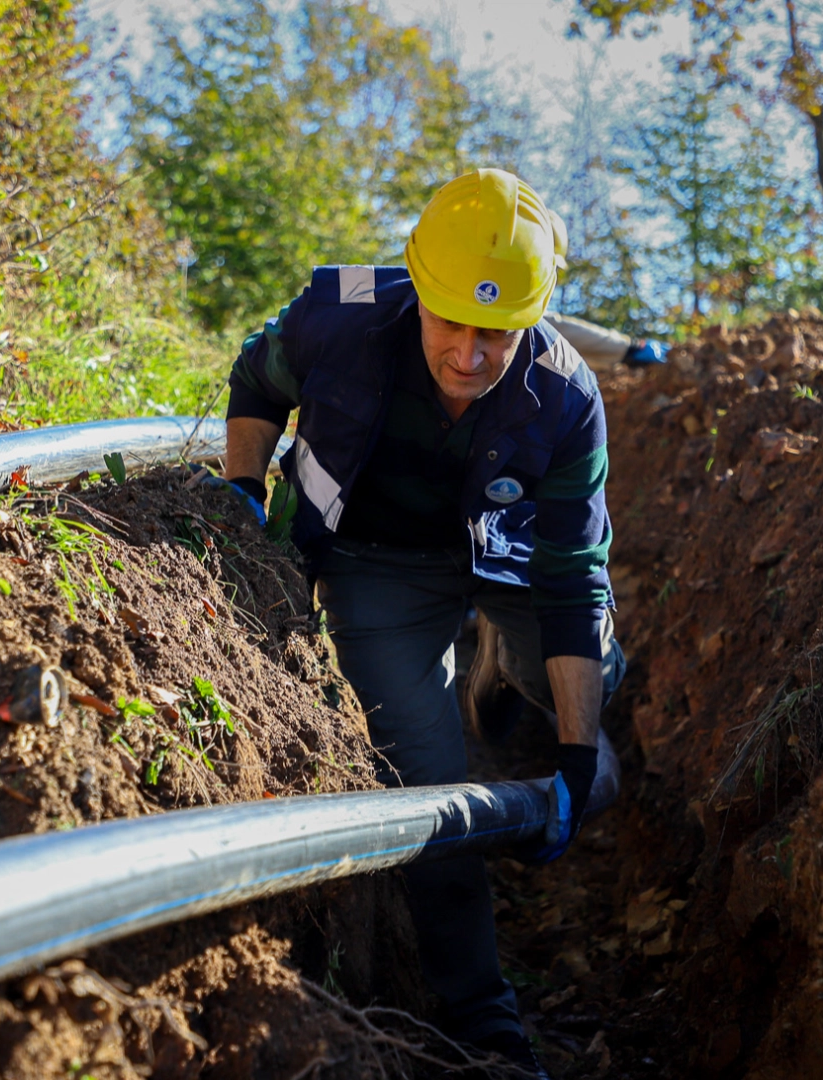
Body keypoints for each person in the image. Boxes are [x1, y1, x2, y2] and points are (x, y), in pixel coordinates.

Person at [219, 168, 626, 1077]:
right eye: (453, 323)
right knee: (426, 783)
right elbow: (256, 371)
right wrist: (243, 490)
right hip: (376, 565)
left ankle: (512, 682)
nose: (473, 355)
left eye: (499, 333)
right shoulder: (344, 314)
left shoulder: (566, 397)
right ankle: (485, 1013)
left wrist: (571, 759)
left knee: (587, 669)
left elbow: (571, 578)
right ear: (419, 289)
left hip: (512, 566)